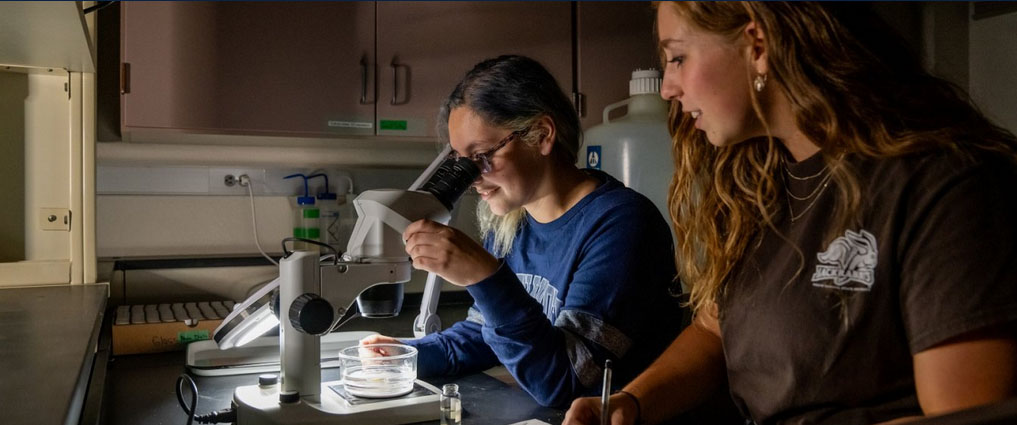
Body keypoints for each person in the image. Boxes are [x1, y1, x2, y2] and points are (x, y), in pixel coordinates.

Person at [565, 2, 1017, 424]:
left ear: (758, 45)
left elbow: (967, 414)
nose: (667, 87)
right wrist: (633, 402)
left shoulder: (946, 186)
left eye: (677, 58)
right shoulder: (755, 181)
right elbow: (715, 331)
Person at [361, 55, 686, 408]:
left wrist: (484, 277)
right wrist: (404, 355)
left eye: (483, 155)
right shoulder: (512, 225)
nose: (474, 180)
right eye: (463, 162)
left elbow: (568, 384)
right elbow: (487, 335)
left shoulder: (621, 224)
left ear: (542, 135)